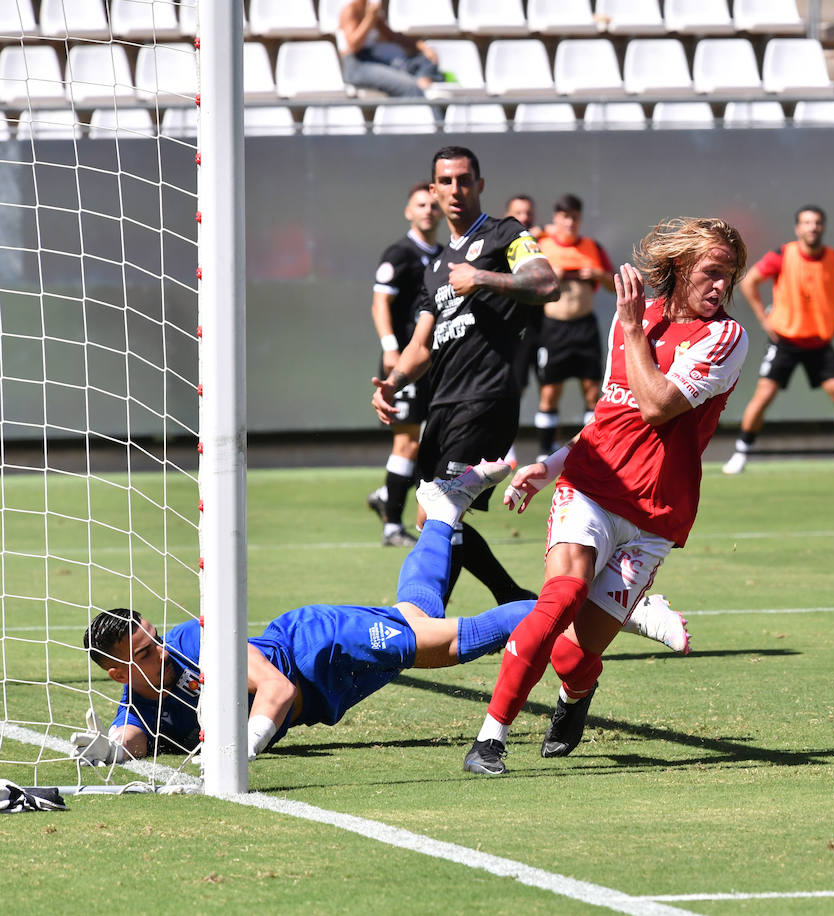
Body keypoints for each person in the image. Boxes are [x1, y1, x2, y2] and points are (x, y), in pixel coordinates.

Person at [77, 464, 692, 765]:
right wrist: (99, 752)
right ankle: (443, 511)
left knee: (447, 642)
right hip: (329, 691)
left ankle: (618, 606)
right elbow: (130, 741)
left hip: (320, 646)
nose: (159, 651)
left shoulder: (197, 644)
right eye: (144, 653)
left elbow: (276, 690)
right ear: (118, 674)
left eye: (153, 639)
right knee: (416, 615)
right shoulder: (138, 704)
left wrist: (239, 752)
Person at [462, 217, 750, 776]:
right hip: (591, 486)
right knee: (560, 597)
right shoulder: (633, 320)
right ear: (680, 268)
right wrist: (549, 466)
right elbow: (611, 414)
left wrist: (634, 329)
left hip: (655, 516)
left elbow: (657, 404)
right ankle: (489, 740)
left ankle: (575, 696)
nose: (720, 287)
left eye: (729, 277)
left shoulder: (725, 338)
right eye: (711, 273)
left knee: (574, 652)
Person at [372, 146, 560, 608]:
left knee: (442, 516)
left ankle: (425, 618)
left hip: (487, 397)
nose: (455, 189)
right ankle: (515, 599)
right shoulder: (434, 267)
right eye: (446, 181)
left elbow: (545, 283)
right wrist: (392, 383)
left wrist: (485, 279)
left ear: (479, 184)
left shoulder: (506, 235)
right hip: (443, 403)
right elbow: (420, 346)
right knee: (429, 517)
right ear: (433, 191)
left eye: (464, 179)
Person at [723, 205, 834, 475]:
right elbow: (749, 282)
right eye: (807, 222)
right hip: (786, 340)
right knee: (764, 395)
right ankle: (741, 452)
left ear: (823, 227)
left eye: (817, 223)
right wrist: (764, 321)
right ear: (798, 228)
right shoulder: (782, 255)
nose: (812, 227)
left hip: (820, 342)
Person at [365, 182, 442, 547]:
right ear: (408, 211)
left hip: (433, 362)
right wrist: (391, 348)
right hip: (405, 363)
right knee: (408, 441)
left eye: (433, 205)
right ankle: (392, 525)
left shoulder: (444, 255)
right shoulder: (399, 253)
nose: (428, 209)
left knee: (428, 442)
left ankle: (386, 494)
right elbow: (380, 303)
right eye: (420, 204)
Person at [533, 194, 615, 461]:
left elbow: (614, 285)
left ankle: (591, 451)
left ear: (580, 220)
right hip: (553, 327)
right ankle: (545, 452)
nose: (569, 223)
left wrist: (599, 275)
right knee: (549, 390)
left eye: (574, 218)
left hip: (584, 327)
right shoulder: (541, 244)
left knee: (592, 390)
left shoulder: (592, 247)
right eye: (564, 217)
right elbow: (521, 282)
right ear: (556, 219)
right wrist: (547, 276)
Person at [336, 0, 452, 99]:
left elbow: (393, 37)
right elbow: (353, 46)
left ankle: (423, 81)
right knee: (410, 88)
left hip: (373, 60)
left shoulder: (371, 10)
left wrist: (422, 46)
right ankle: (433, 120)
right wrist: (370, 19)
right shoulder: (351, 10)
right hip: (356, 66)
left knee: (425, 60)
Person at [503, 193, 544, 467]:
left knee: (547, 386)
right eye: (519, 212)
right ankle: (505, 446)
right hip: (514, 328)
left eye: (528, 212)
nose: (525, 217)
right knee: (512, 388)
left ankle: (548, 448)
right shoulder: (504, 243)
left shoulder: (542, 243)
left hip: (542, 325)